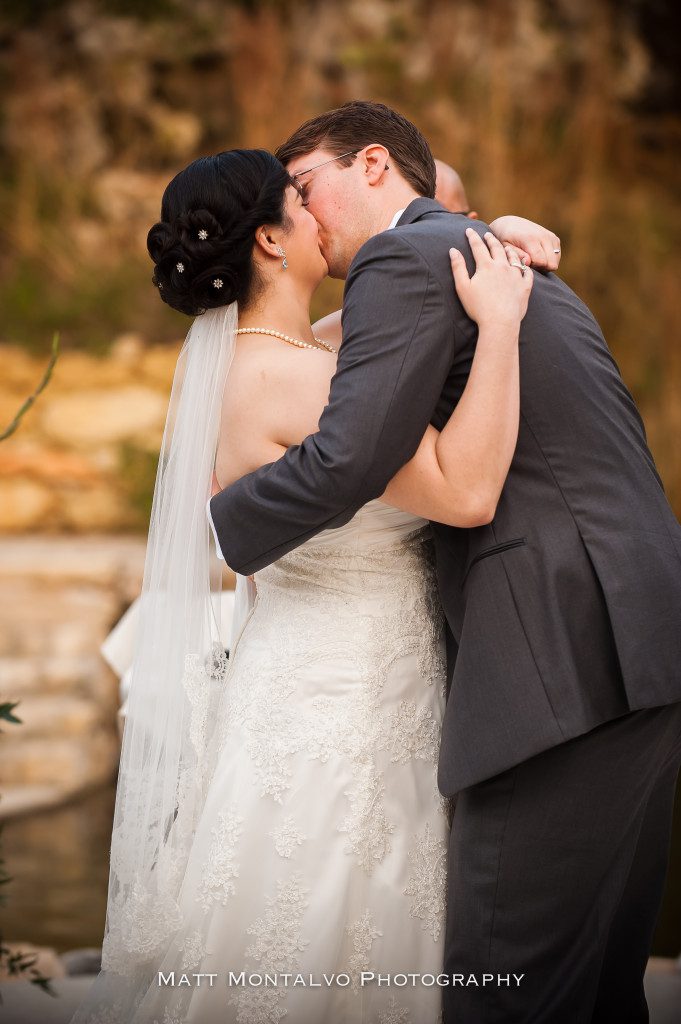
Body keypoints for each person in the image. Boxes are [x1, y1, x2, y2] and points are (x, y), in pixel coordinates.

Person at [209, 101, 681, 1023]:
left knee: (504, 986)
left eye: (305, 187)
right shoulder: (482, 255)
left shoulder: (400, 258)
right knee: (594, 987)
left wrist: (228, 521)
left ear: (374, 165)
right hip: (635, 639)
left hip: (556, 660)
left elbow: (352, 455)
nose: (301, 215)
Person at [68, 143, 554, 1024]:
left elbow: (373, 336)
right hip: (355, 694)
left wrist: (486, 233)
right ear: (268, 241)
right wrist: (504, 326)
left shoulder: (252, 360)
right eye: (298, 201)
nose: (319, 214)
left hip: (292, 678)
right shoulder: (304, 385)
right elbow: (465, 488)